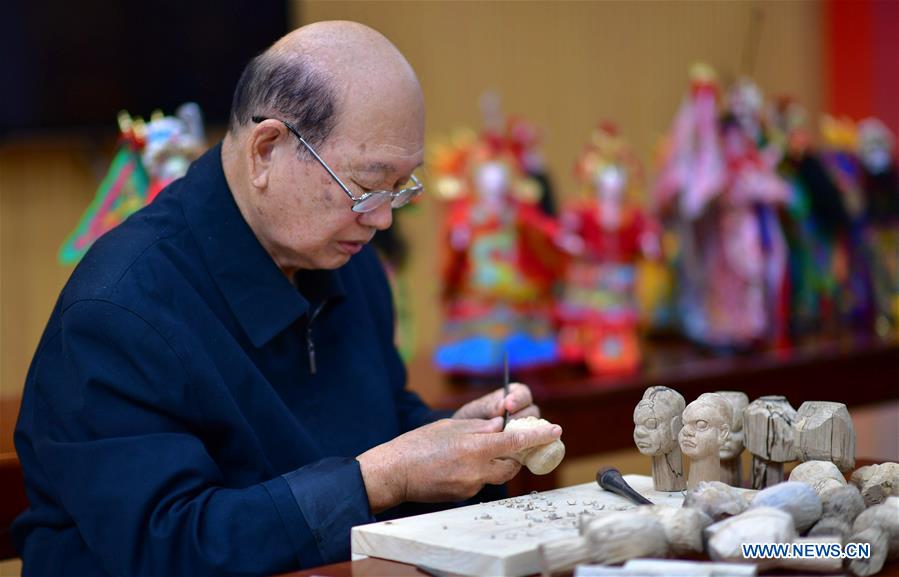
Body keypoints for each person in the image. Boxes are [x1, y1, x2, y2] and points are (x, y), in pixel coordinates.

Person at [12, 21, 561, 577]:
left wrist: (458, 438)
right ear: (266, 150)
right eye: (367, 185)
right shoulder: (119, 311)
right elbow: (167, 546)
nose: (382, 217)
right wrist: (383, 478)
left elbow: (380, 422)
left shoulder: (346, 259)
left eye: (401, 186)